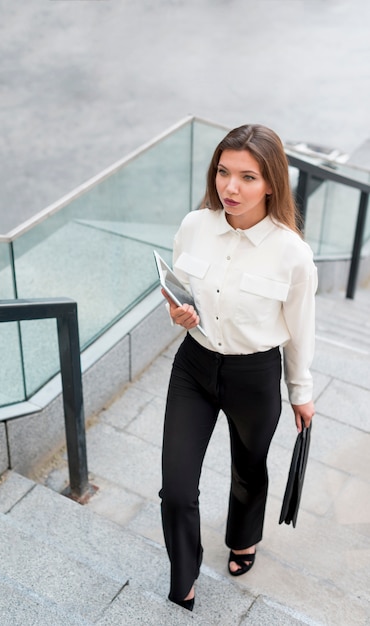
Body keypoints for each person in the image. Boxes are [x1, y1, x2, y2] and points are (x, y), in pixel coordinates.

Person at [159, 124, 317, 612]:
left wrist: (300, 391)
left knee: (249, 469)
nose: (231, 187)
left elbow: (300, 328)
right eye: (224, 172)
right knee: (177, 488)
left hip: (254, 376)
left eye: (248, 177)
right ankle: (183, 576)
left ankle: (243, 538)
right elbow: (178, 292)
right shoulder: (194, 225)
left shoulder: (292, 253)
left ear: (271, 182)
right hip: (195, 367)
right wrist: (176, 313)